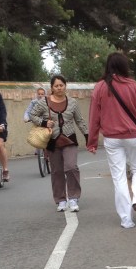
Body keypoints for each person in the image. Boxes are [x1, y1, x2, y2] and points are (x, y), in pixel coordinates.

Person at [87, 52, 136, 229]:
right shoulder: (133, 86)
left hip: (112, 139)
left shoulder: (99, 87)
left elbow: (94, 118)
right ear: (124, 66)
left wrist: (91, 142)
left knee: (119, 177)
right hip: (133, 137)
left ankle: (126, 219)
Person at [29, 74, 88, 212]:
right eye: (56, 86)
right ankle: (61, 199)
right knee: (57, 171)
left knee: (71, 167)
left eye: (61, 85)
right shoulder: (43, 102)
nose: (59, 88)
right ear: (52, 88)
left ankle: (73, 198)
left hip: (69, 139)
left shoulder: (73, 102)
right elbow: (33, 115)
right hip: (52, 141)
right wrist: (44, 122)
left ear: (65, 86)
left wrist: (87, 135)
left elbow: (79, 120)